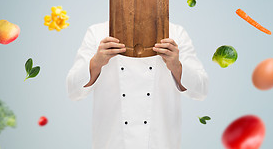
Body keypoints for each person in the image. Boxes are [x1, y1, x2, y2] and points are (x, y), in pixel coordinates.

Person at [66, 20, 209, 149]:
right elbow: (73, 90)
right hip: (112, 144)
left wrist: (176, 65)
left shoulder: (175, 34)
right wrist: (95, 62)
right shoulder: (97, 33)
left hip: (161, 144)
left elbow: (201, 90)